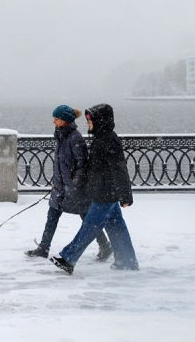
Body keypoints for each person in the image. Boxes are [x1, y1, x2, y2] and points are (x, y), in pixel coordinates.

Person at [50, 103, 139, 275]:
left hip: (105, 193)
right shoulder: (101, 137)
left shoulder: (108, 140)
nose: (88, 123)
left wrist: (125, 195)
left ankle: (68, 259)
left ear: (100, 121)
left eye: (91, 120)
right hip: (105, 191)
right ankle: (126, 261)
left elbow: (119, 169)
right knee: (116, 227)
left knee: (89, 226)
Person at [25, 105, 113, 261]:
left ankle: (105, 245)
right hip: (61, 187)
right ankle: (44, 248)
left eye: (56, 119)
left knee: (87, 218)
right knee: (52, 215)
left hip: (74, 189)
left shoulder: (75, 138)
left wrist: (75, 183)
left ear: (65, 120)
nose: (54, 122)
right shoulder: (61, 136)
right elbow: (60, 164)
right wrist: (56, 181)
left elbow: (82, 164)